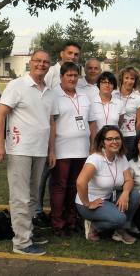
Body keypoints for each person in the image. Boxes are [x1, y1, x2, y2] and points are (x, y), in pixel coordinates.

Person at [0, 50, 56, 255]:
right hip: (19, 149)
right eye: (37, 61)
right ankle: (21, 243)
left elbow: (51, 122)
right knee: (20, 197)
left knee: (33, 197)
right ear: (30, 63)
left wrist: (51, 150)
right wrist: (0, 144)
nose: (41, 64)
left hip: (39, 150)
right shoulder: (17, 85)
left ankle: (26, 233)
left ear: (49, 65)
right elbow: (1, 114)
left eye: (45, 62)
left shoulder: (49, 90)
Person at [35, 41, 81, 227]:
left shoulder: (79, 74)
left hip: (71, 142)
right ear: (61, 54)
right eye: (69, 53)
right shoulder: (51, 73)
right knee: (43, 177)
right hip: (49, 136)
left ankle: (63, 214)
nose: (72, 56)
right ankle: (38, 212)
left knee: (61, 182)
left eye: (76, 54)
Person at [48, 62, 97, 237]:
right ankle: (58, 223)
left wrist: (92, 145)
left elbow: (92, 122)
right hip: (62, 150)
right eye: (68, 75)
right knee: (59, 187)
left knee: (75, 187)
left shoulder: (83, 96)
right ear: (61, 77)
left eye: (75, 75)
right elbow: (51, 123)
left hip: (82, 150)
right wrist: (51, 150)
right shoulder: (54, 95)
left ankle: (72, 219)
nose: (72, 79)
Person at [76, 126, 139, 244]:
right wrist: (87, 203)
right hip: (91, 202)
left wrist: (125, 193)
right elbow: (80, 182)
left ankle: (120, 230)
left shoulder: (121, 157)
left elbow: (129, 180)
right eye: (109, 139)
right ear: (103, 142)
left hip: (108, 198)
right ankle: (94, 227)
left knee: (134, 195)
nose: (114, 142)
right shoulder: (95, 159)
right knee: (120, 218)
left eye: (117, 138)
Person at [114, 67, 140, 156]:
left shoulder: (138, 98)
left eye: (132, 79)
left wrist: (133, 135)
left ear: (135, 81)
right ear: (122, 79)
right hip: (113, 136)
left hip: (130, 137)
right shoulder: (113, 95)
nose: (129, 81)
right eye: (126, 78)